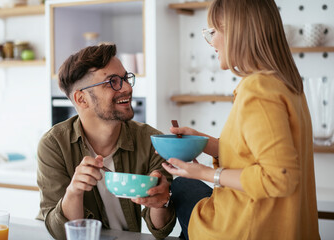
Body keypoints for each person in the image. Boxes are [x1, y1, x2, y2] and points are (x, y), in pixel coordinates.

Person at [162, 0, 320, 239]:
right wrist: (206, 143)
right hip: (287, 227)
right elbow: (256, 155)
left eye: (213, 32)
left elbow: (279, 178)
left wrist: (202, 173)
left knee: (183, 186)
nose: (211, 42)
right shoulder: (287, 86)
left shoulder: (258, 89)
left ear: (238, 31)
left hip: (248, 228)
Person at [36, 43, 175, 240]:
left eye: (125, 79)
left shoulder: (151, 141)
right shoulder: (54, 145)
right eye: (113, 82)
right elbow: (61, 233)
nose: (126, 88)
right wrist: (74, 191)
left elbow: (160, 230)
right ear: (82, 99)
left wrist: (161, 201)